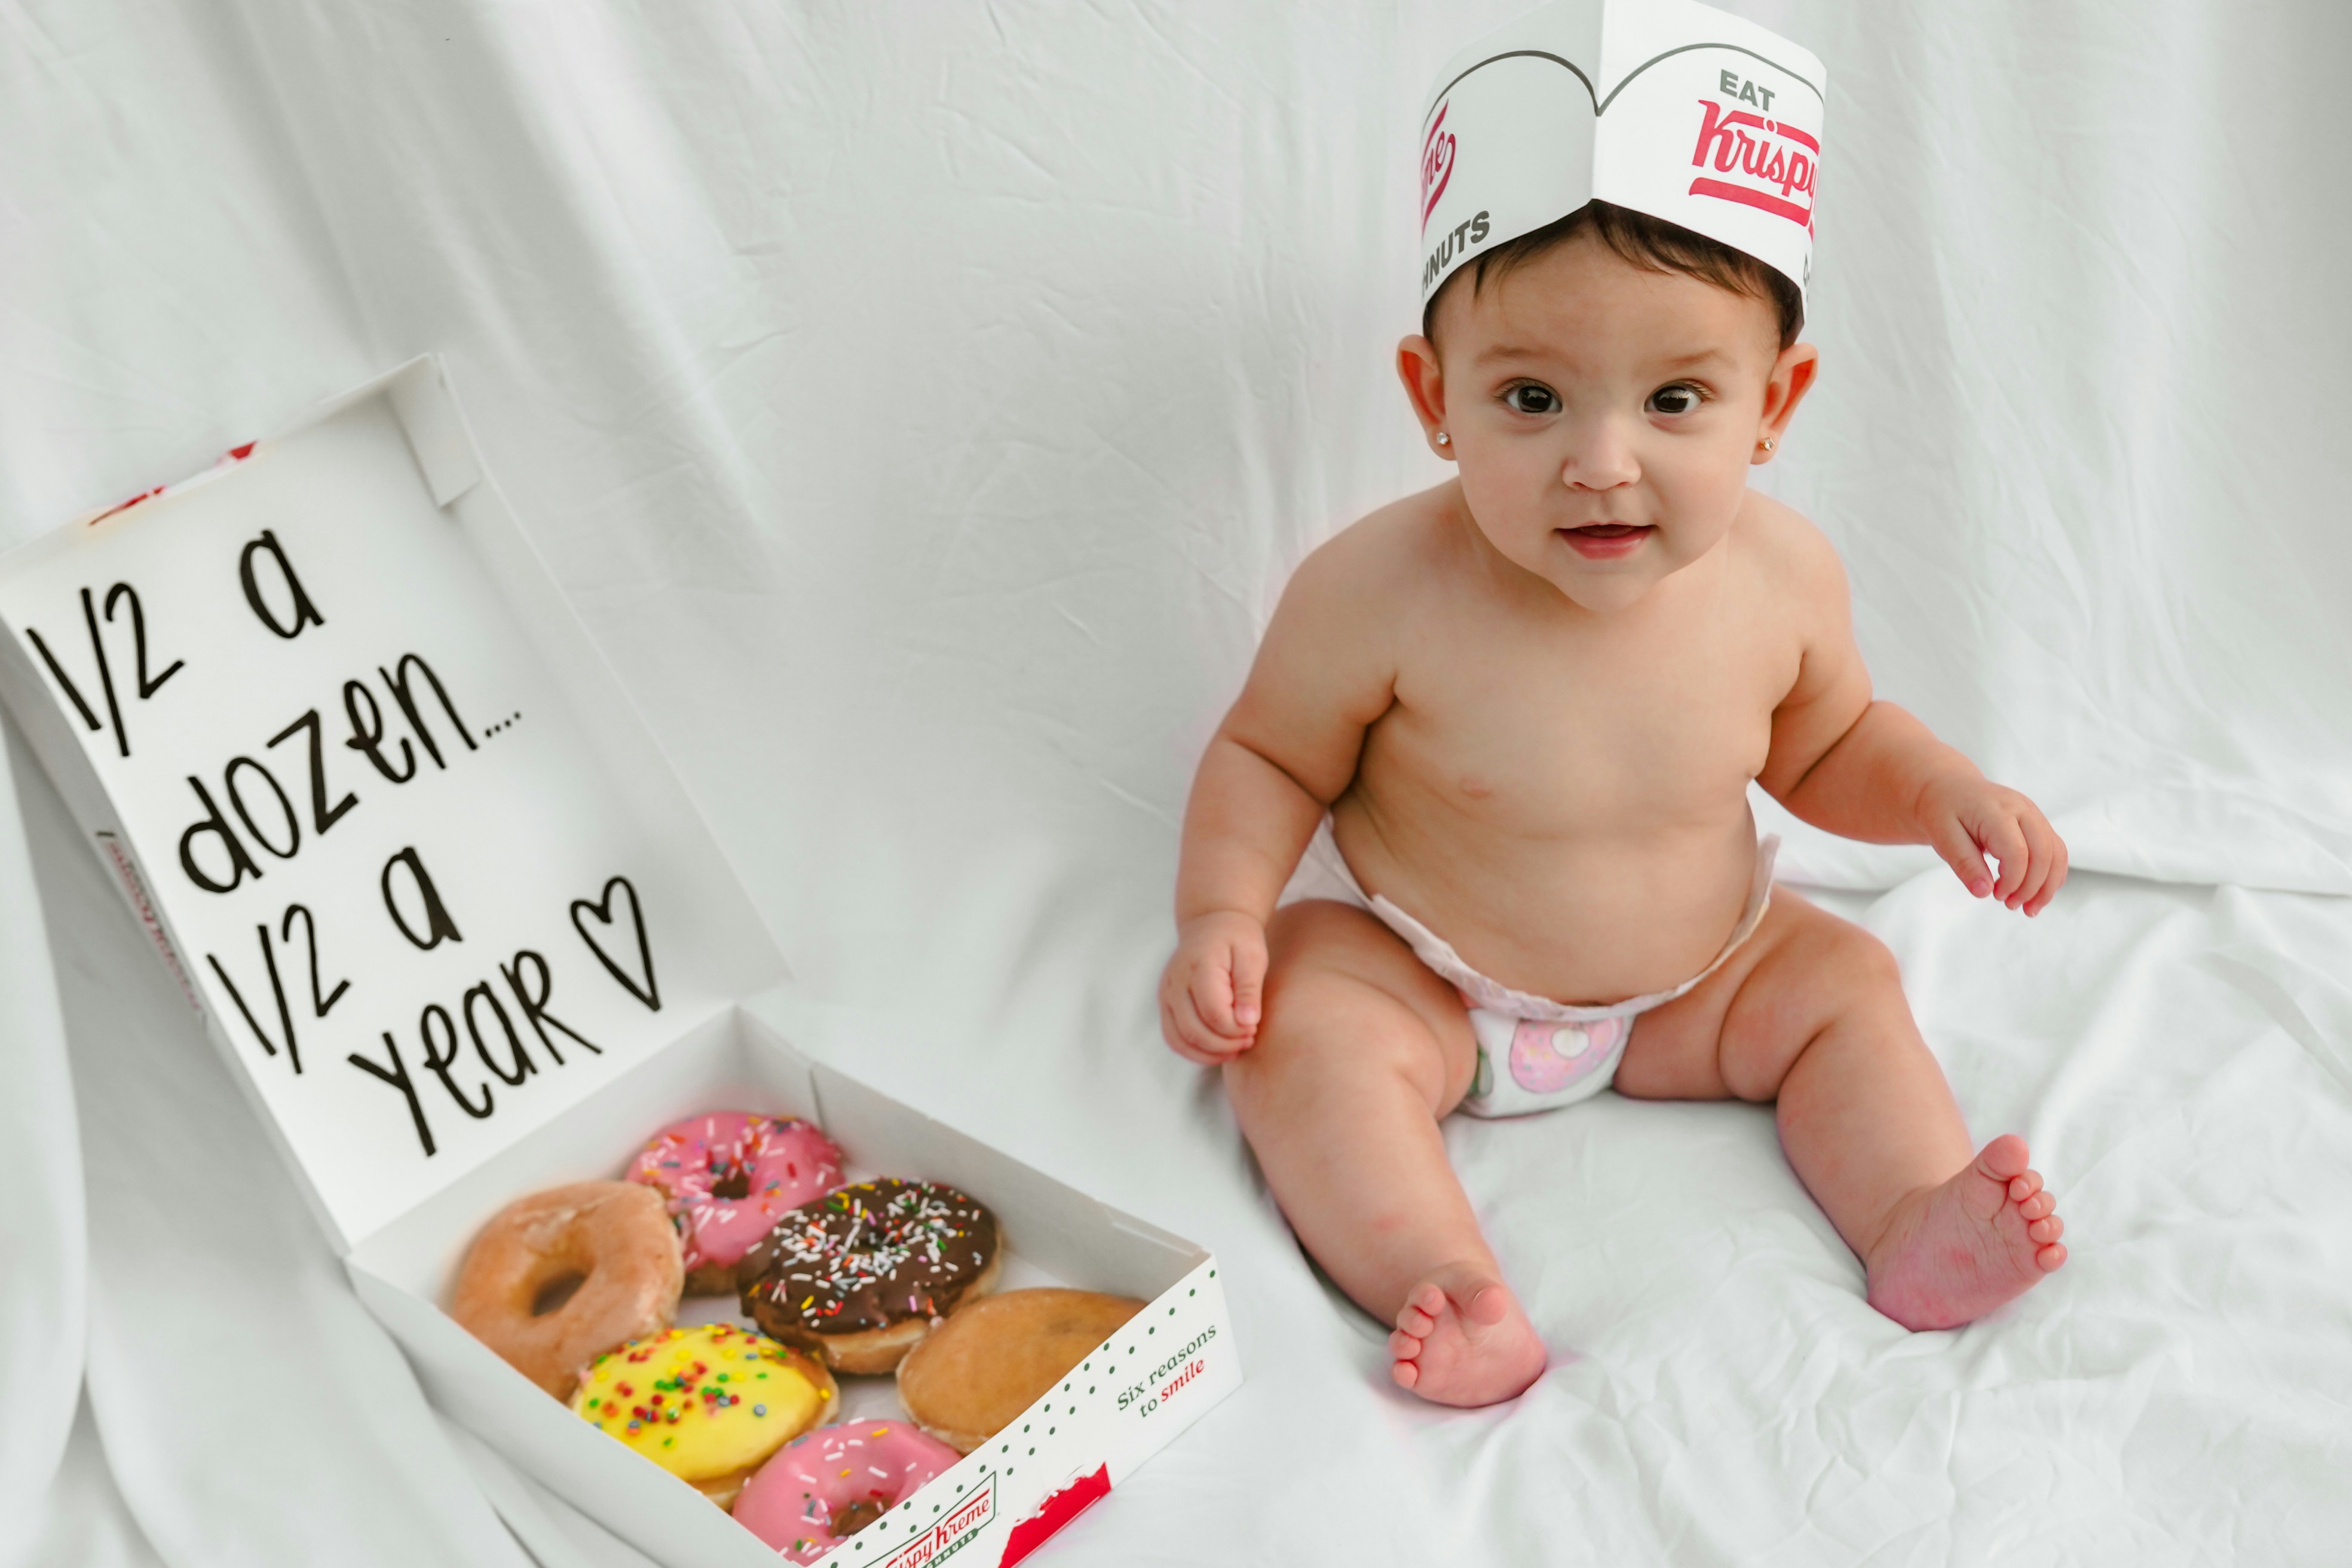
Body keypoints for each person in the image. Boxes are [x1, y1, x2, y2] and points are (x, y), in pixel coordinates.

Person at [1157, 9, 2069, 1408]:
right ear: (1433, 396)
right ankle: (1445, 1280)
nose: (1601, 461)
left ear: (1775, 404)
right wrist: (1222, 913)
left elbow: (1828, 746)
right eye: (1531, 396)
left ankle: (1909, 1219)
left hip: (1692, 989)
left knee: (1844, 984)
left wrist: (1940, 786)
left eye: (1676, 398)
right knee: (1303, 1020)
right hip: (1432, 983)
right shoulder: (1376, 589)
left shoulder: (1782, 579)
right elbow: (1271, 754)